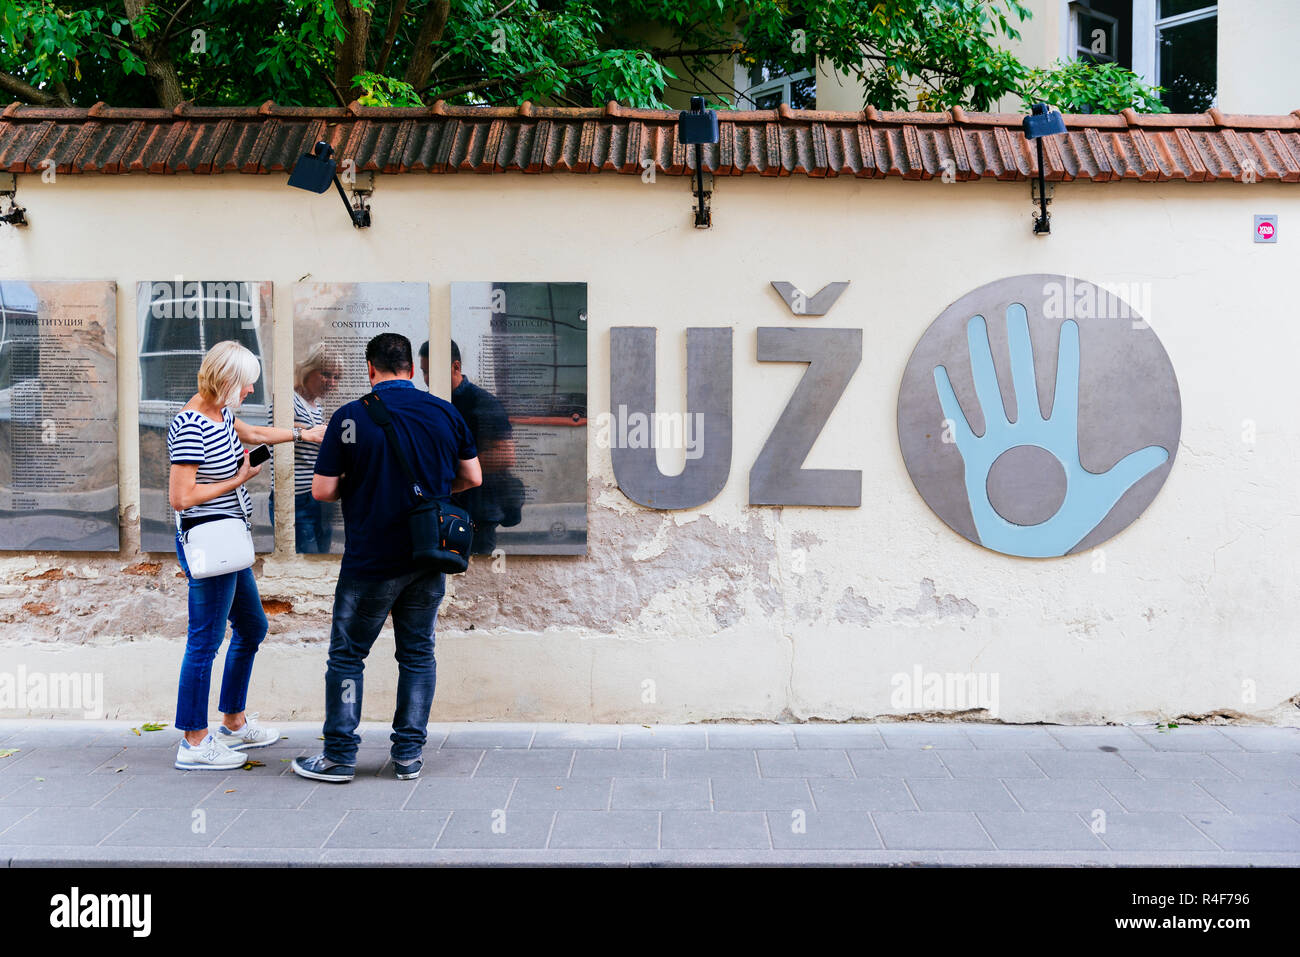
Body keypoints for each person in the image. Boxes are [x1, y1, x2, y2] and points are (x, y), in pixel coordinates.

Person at [293, 333, 481, 783]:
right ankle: (408, 756)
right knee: (417, 654)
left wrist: (362, 485)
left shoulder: (350, 417)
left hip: (370, 560)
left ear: (370, 370)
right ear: (412, 370)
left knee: (347, 657)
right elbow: (471, 476)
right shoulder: (443, 411)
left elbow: (321, 490)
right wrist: (431, 497)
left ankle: (339, 757)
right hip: (427, 556)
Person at [168, 340, 325, 770]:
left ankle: (233, 722)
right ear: (226, 380)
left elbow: (252, 433)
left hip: (231, 544)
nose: (251, 392)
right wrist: (238, 478)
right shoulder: (191, 424)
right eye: (247, 384)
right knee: (204, 642)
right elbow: (181, 497)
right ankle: (194, 743)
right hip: (208, 544)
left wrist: (302, 433)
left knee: (252, 627)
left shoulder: (221, 412)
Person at [419, 339, 516, 554]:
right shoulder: (426, 404)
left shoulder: (482, 403)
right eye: (424, 372)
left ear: (456, 367)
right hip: (438, 511)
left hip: (477, 517)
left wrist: (450, 465)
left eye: (432, 372)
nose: (427, 379)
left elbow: (505, 455)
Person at [291, 343, 341, 553]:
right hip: (298, 496)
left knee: (322, 554)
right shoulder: (289, 399)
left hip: (319, 495)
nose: (331, 382)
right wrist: (317, 431)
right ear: (309, 370)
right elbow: (274, 428)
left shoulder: (316, 406)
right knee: (306, 557)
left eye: (337, 377)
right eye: (326, 374)